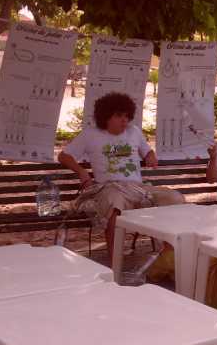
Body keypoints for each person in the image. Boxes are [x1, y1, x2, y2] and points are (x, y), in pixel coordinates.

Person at [58, 92, 184, 259]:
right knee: (114, 202)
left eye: (126, 116)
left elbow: (148, 151)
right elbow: (63, 156)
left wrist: (150, 156)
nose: (124, 120)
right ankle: (115, 262)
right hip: (110, 187)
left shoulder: (134, 132)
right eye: (118, 116)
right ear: (105, 116)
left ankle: (169, 256)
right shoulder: (90, 135)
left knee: (174, 198)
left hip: (137, 188)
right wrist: (81, 172)